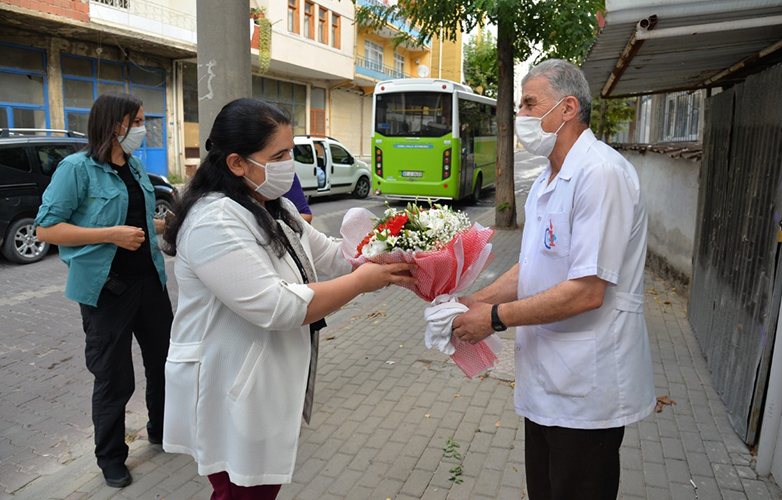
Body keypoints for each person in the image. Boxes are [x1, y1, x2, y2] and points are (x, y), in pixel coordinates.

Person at [160, 98, 415, 500]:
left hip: (262, 378)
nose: (288, 165)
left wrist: (398, 256)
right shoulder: (214, 221)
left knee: (256, 488)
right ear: (236, 163)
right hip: (228, 384)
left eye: (289, 153)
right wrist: (364, 282)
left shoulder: (274, 207)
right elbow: (276, 306)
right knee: (239, 491)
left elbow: (331, 256)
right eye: (277, 155)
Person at [452, 59, 655, 500]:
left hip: (587, 390)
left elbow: (587, 291)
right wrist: (475, 300)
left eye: (529, 104)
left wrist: (495, 318)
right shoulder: (550, 177)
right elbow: (536, 265)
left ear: (566, 108)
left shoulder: (600, 174)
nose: (520, 116)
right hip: (547, 386)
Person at [35, 92, 173, 488]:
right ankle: (111, 456)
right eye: (139, 120)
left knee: (164, 364)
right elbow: (47, 229)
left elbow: (141, 221)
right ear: (116, 124)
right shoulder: (76, 169)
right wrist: (109, 235)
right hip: (106, 290)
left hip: (151, 283)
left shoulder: (136, 167)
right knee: (114, 379)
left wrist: (170, 225)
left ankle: (161, 430)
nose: (144, 129)